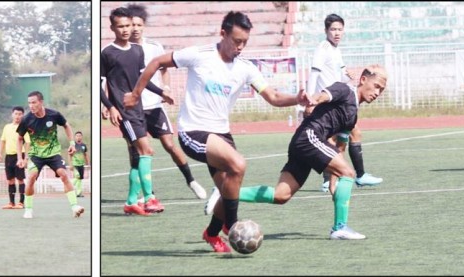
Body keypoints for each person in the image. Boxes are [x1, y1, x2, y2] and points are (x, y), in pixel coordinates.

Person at [128, 11, 313, 252]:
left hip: (222, 136)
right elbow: (156, 63)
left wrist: (297, 99)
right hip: (193, 132)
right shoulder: (199, 55)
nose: (240, 47)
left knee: (229, 187)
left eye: (245, 42)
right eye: (237, 41)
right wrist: (135, 94)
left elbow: (274, 97)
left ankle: (212, 233)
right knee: (239, 164)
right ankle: (232, 225)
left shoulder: (245, 68)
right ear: (223, 34)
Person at [223, 65, 390, 244]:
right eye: (376, 86)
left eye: (381, 90)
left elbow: (339, 148)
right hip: (309, 136)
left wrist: (333, 184)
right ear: (363, 79)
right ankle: (339, 228)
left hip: (302, 142)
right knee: (349, 173)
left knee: (281, 195)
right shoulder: (345, 90)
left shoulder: (353, 115)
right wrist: (314, 100)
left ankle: (225, 191)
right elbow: (323, 95)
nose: (377, 92)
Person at [126, 3, 207, 200]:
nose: (135, 28)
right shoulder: (121, 50)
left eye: (138, 24)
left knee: (170, 145)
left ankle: (191, 180)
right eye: (131, 25)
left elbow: (163, 70)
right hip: (132, 108)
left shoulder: (154, 47)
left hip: (154, 106)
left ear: (143, 25)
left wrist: (166, 88)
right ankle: (146, 193)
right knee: (137, 151)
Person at [101, 7, 170, 216]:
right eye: (120, 26)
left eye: (128, 26)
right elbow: (99, 83)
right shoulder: (107, 53)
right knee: (146, 151)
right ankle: (149, 198)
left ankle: (131, 201)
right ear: (112, 27)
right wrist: (110, 106)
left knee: (137, 157)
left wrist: (161, 93)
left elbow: (143, 80)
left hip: (138, 108)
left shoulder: (137, 50)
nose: (125, 30)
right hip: (124, 112)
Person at [307, 14, 382, 192]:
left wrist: (349, 76)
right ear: (326, 31)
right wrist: (310, 100)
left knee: (350, 134)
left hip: (338, 98)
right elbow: (314, 74)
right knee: (334, 139)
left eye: (340, 29)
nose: (337, 33)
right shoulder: (323, 49)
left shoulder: (335, 50)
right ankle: (337, 179)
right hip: (327, 99)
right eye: (333, 29)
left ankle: (357, 175)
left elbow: (339, 74)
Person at [17, 91, 84, 219]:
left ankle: (75, 206)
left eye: (34, 102)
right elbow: (19, 138)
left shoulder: (54, 114)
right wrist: (20, 158)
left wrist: (72, 143)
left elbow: (66, 125)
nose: (31, 106)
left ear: (41, 102)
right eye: (29, 103)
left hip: (53, 153)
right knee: (31, 178)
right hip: (36, 155)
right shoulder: (26, 119)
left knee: (64, 175)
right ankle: (28, 210)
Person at [0, 106, 30, 209]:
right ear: (12, 114)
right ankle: (11, 202)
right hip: (9, 156)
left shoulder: (24, 127)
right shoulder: (7, 127)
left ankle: (21, 202)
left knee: (20, 179)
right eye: (16, 114)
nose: (17, 116)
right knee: (10, 180)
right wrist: (0, 153)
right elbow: (3, 141)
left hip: (20, 156)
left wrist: (26, 158)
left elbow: (28, 143)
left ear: (23, 115)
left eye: (20, 114)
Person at [69, 131, 89, 197]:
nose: (78, 137)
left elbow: (85, 154)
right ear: (75, 137)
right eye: (77, 136)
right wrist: (70, 164)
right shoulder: (73, 145)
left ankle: (78, 193)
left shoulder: (83, 145)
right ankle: (69, 186)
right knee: (77, 176)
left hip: (81, 164)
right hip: (75, 164)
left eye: (80, 136)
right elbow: (69, 155)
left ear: (82, 137)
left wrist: (88, 163)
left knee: (80, 179)